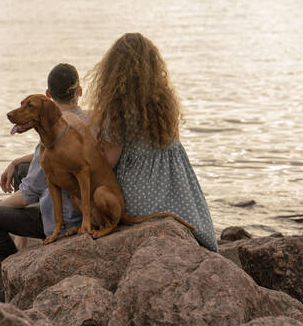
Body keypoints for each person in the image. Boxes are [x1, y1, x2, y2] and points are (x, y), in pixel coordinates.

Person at [85, 33, 218, 252]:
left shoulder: (117, 108)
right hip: (177, 194)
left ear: (112, 72)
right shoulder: (164, 102)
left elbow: (110, 160)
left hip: (138, 197)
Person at [0, 63, 86, 263]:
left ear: (48, 94)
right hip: (81, 208)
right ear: (80, 91)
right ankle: (20, 244)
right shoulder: (85, 119)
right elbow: (40, 165)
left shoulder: (56, 133)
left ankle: (11, 263)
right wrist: (16, 161)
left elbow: (27, 196)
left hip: (63, 220)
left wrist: (0, 205)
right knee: (21, 169)